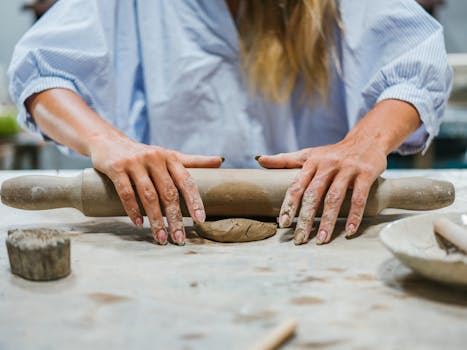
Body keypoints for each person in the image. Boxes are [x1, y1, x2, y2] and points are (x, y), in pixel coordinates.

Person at [8, 0, 452, 246]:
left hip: (318, 233)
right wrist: (104, 141)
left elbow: (416, 62)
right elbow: (42, 72)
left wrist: (365, 142)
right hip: (160, 234)